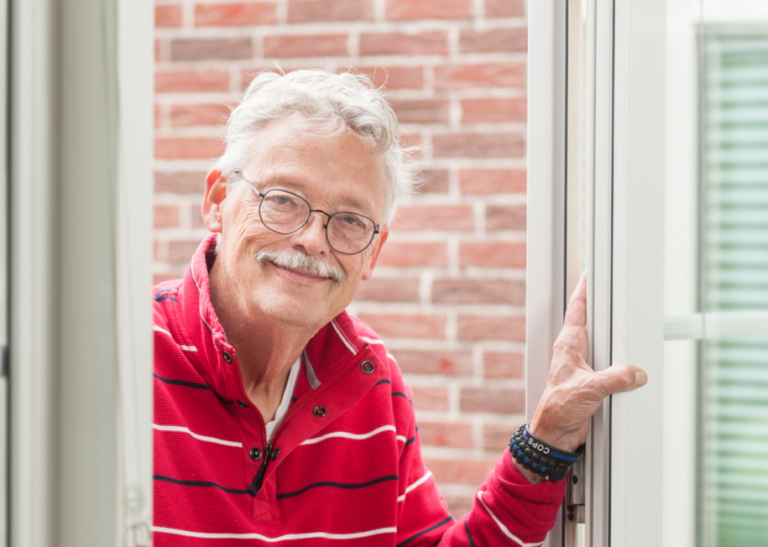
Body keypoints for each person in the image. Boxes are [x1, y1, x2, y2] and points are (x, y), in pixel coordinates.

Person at [152, 69, 647, 546]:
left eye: (349, 219)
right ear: (217, 199)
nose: (311, 239)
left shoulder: (372, 381)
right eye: (283, 200)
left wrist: (548, 438)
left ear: (374, 251)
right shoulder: (127, 357)